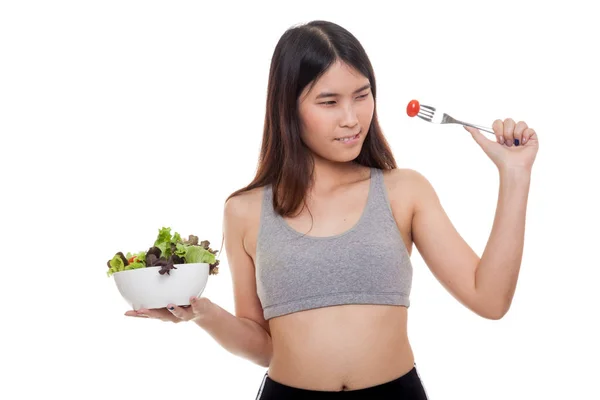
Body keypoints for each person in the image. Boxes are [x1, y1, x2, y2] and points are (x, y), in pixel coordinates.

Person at [125, 20, 539, 399]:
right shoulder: (245, 211)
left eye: (362, 96)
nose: (351, 118)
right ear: (288, 107)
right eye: (328, 102)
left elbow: (490, 300)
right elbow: (263, 347)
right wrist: (202, 312)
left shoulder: (404, 190)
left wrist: (515, 176)